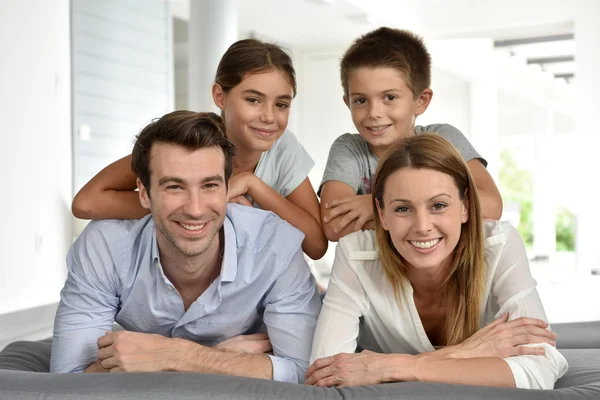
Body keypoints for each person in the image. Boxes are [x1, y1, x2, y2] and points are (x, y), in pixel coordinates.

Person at [50, 111, 321, 384]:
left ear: (228, 188)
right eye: (175, 187)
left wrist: (174, 356)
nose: (195, 209)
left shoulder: (276, 246)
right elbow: (67, 380)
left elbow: (303, 372)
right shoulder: (105, 246)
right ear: (144, 193)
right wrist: (214, 358)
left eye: (210, 185)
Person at [307, 134, 567, 389]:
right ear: (382, 214)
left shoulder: (499, 245)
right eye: (402, 209)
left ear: (465, 206)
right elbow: (325, 373)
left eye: (439, 205)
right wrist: (467, 352)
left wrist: (393, 367)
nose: (422, 227)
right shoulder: (355, 255)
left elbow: (539, 369)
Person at [71, 39, 327, 260]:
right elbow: (86, 203)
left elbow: (316, 245)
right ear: (220, 96)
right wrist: (179, 205)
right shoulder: (185, 141)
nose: (270, 116)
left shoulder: (284, 149)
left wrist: (252, 185)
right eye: (253, 100)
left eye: (282, 104)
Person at [319, 27, 503, 242]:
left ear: (420, 100)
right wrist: (442, 213)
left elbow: (491, 203)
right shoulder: (349, 149)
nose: (374, 113)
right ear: (347, 102)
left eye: (389, 97)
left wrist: (374, 205)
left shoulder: (444, 138)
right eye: (360, 100)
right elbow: (334, 225)